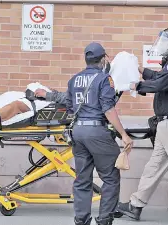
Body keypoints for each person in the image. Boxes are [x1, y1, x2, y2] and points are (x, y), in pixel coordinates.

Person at [67, 42, 133, 225]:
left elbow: (69, 107)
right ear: (103, 59)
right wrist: (124, 135)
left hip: (78, 132)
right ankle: (105, 219)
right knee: (111, 177)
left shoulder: (74, 79)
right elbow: (108, 109)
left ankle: (81, 220)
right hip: (97, 132)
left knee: (82, 179)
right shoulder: (105, 79)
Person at [117, 28, 168, 221]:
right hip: (164, 125)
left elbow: (160, 84)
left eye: (166, 40)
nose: (162, 45)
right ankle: (136, 206)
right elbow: (159, 78)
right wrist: (141, 69)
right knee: (154, 167)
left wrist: (136, 85)